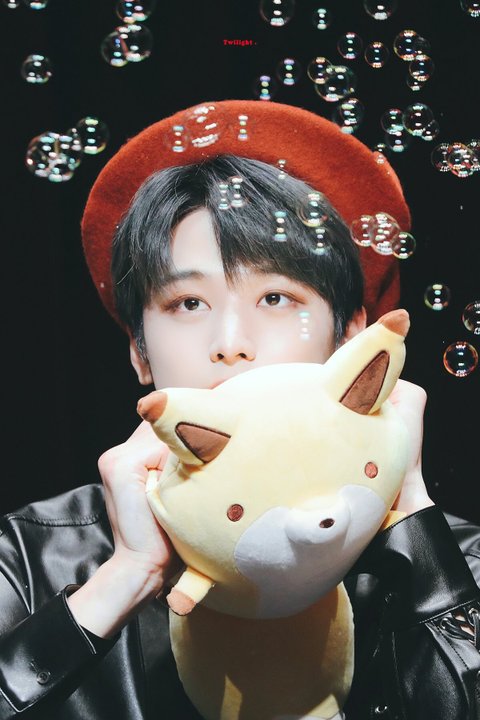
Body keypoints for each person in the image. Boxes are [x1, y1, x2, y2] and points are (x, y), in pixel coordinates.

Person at [0, 100, 479, 720]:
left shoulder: (460, 560)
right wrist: (124, 578)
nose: (230, 342)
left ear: (351, 340)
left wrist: (409, 517)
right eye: (187, 304)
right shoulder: (29, 558)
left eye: (275, 296)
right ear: (139, 353)